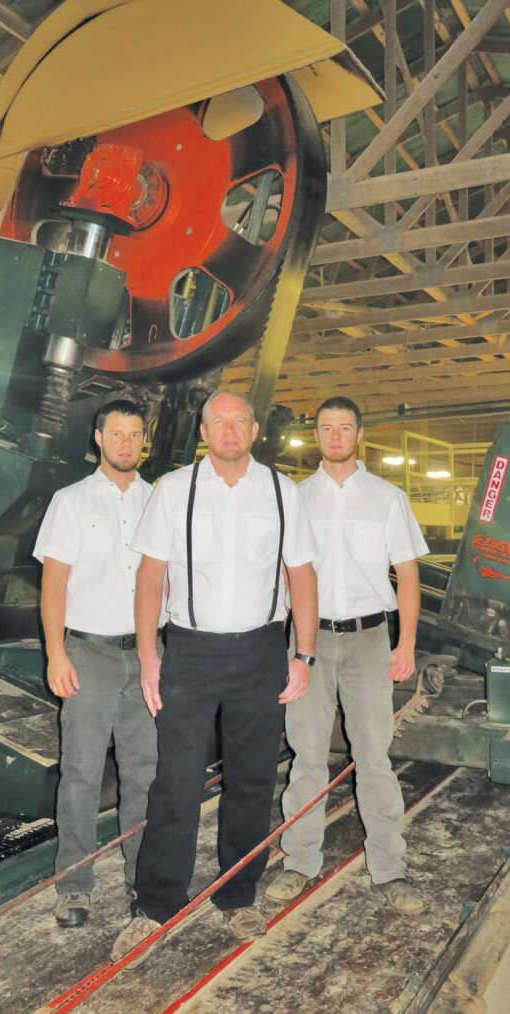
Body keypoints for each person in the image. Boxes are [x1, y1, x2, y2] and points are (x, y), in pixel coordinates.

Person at [110, 389, 318, 963]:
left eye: (238, 421)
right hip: (190, 657)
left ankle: (239, 896)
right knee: (174, 783)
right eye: (217, 421)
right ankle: (155, 906)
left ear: (254, 431)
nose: (229, 429)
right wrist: (151, 655)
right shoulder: (176, 490)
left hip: (260, 654)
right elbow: (151, 575)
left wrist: (304, 654)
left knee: (252, 780)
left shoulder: (282, 492)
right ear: (204, 432)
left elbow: (300, 575)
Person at [267, 396, 429, 914]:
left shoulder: (387, 498)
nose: (335, 436)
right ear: (316, 436)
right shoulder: (295, 497)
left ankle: (390, 866)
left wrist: (405, 643)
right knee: (306, 756)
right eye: (326, 428)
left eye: (345, 428)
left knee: (374, 757)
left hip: (367, 640)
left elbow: (406, 574)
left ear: (361, 435)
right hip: (309, 645)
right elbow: (282, 576)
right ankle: (298, 861)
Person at [33, 398, 163, 928]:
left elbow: (169, 581)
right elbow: (54, 583)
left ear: (143, 442)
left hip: (149, 655)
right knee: (82, 775)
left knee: (145, 775)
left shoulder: (161, 502)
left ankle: (142, 879)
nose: (126, 443)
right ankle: (75, 886)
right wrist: (56, 652)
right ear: (98, 438)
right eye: (117, 433)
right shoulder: (70, 502)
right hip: (88, 653)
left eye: (135, 434)